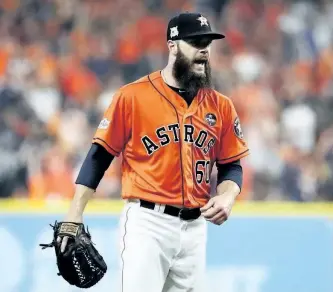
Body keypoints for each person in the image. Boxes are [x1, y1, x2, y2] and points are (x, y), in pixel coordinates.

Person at [58, 12, 249, 292]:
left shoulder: (220, 105)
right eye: (195, 42)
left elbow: (232, 165)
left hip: (196, 229)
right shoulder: (133, 96)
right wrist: (75, 213)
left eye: (207, 42)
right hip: (148, 224)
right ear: (172, 46)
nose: (204, 50)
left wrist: (228, 195)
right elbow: (99, 156)